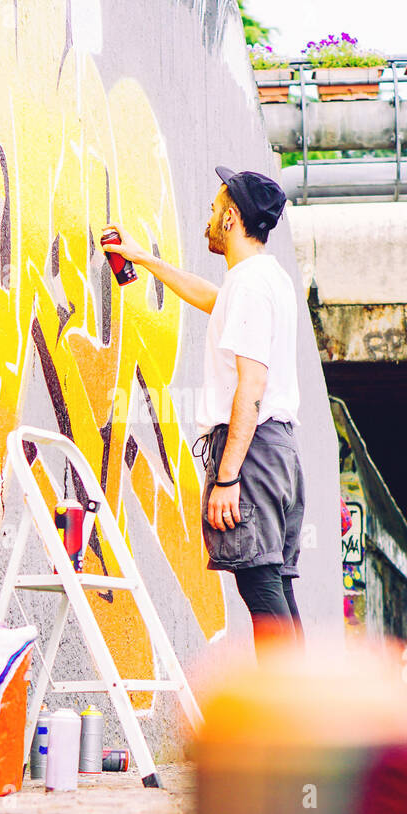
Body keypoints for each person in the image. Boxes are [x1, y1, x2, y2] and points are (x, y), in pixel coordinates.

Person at [101, 166, 305, 656]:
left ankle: (288, 723)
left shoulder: (252, 286)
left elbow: (251, 385)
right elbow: (210, 298)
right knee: (274, 584)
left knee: (259, 586)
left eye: (215, 210)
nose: (210, 218)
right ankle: (305, 717)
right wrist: (144, 260)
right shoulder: (260, 279)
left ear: (232, 218)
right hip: (277, 451)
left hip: (252, 452)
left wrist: (228, 477)